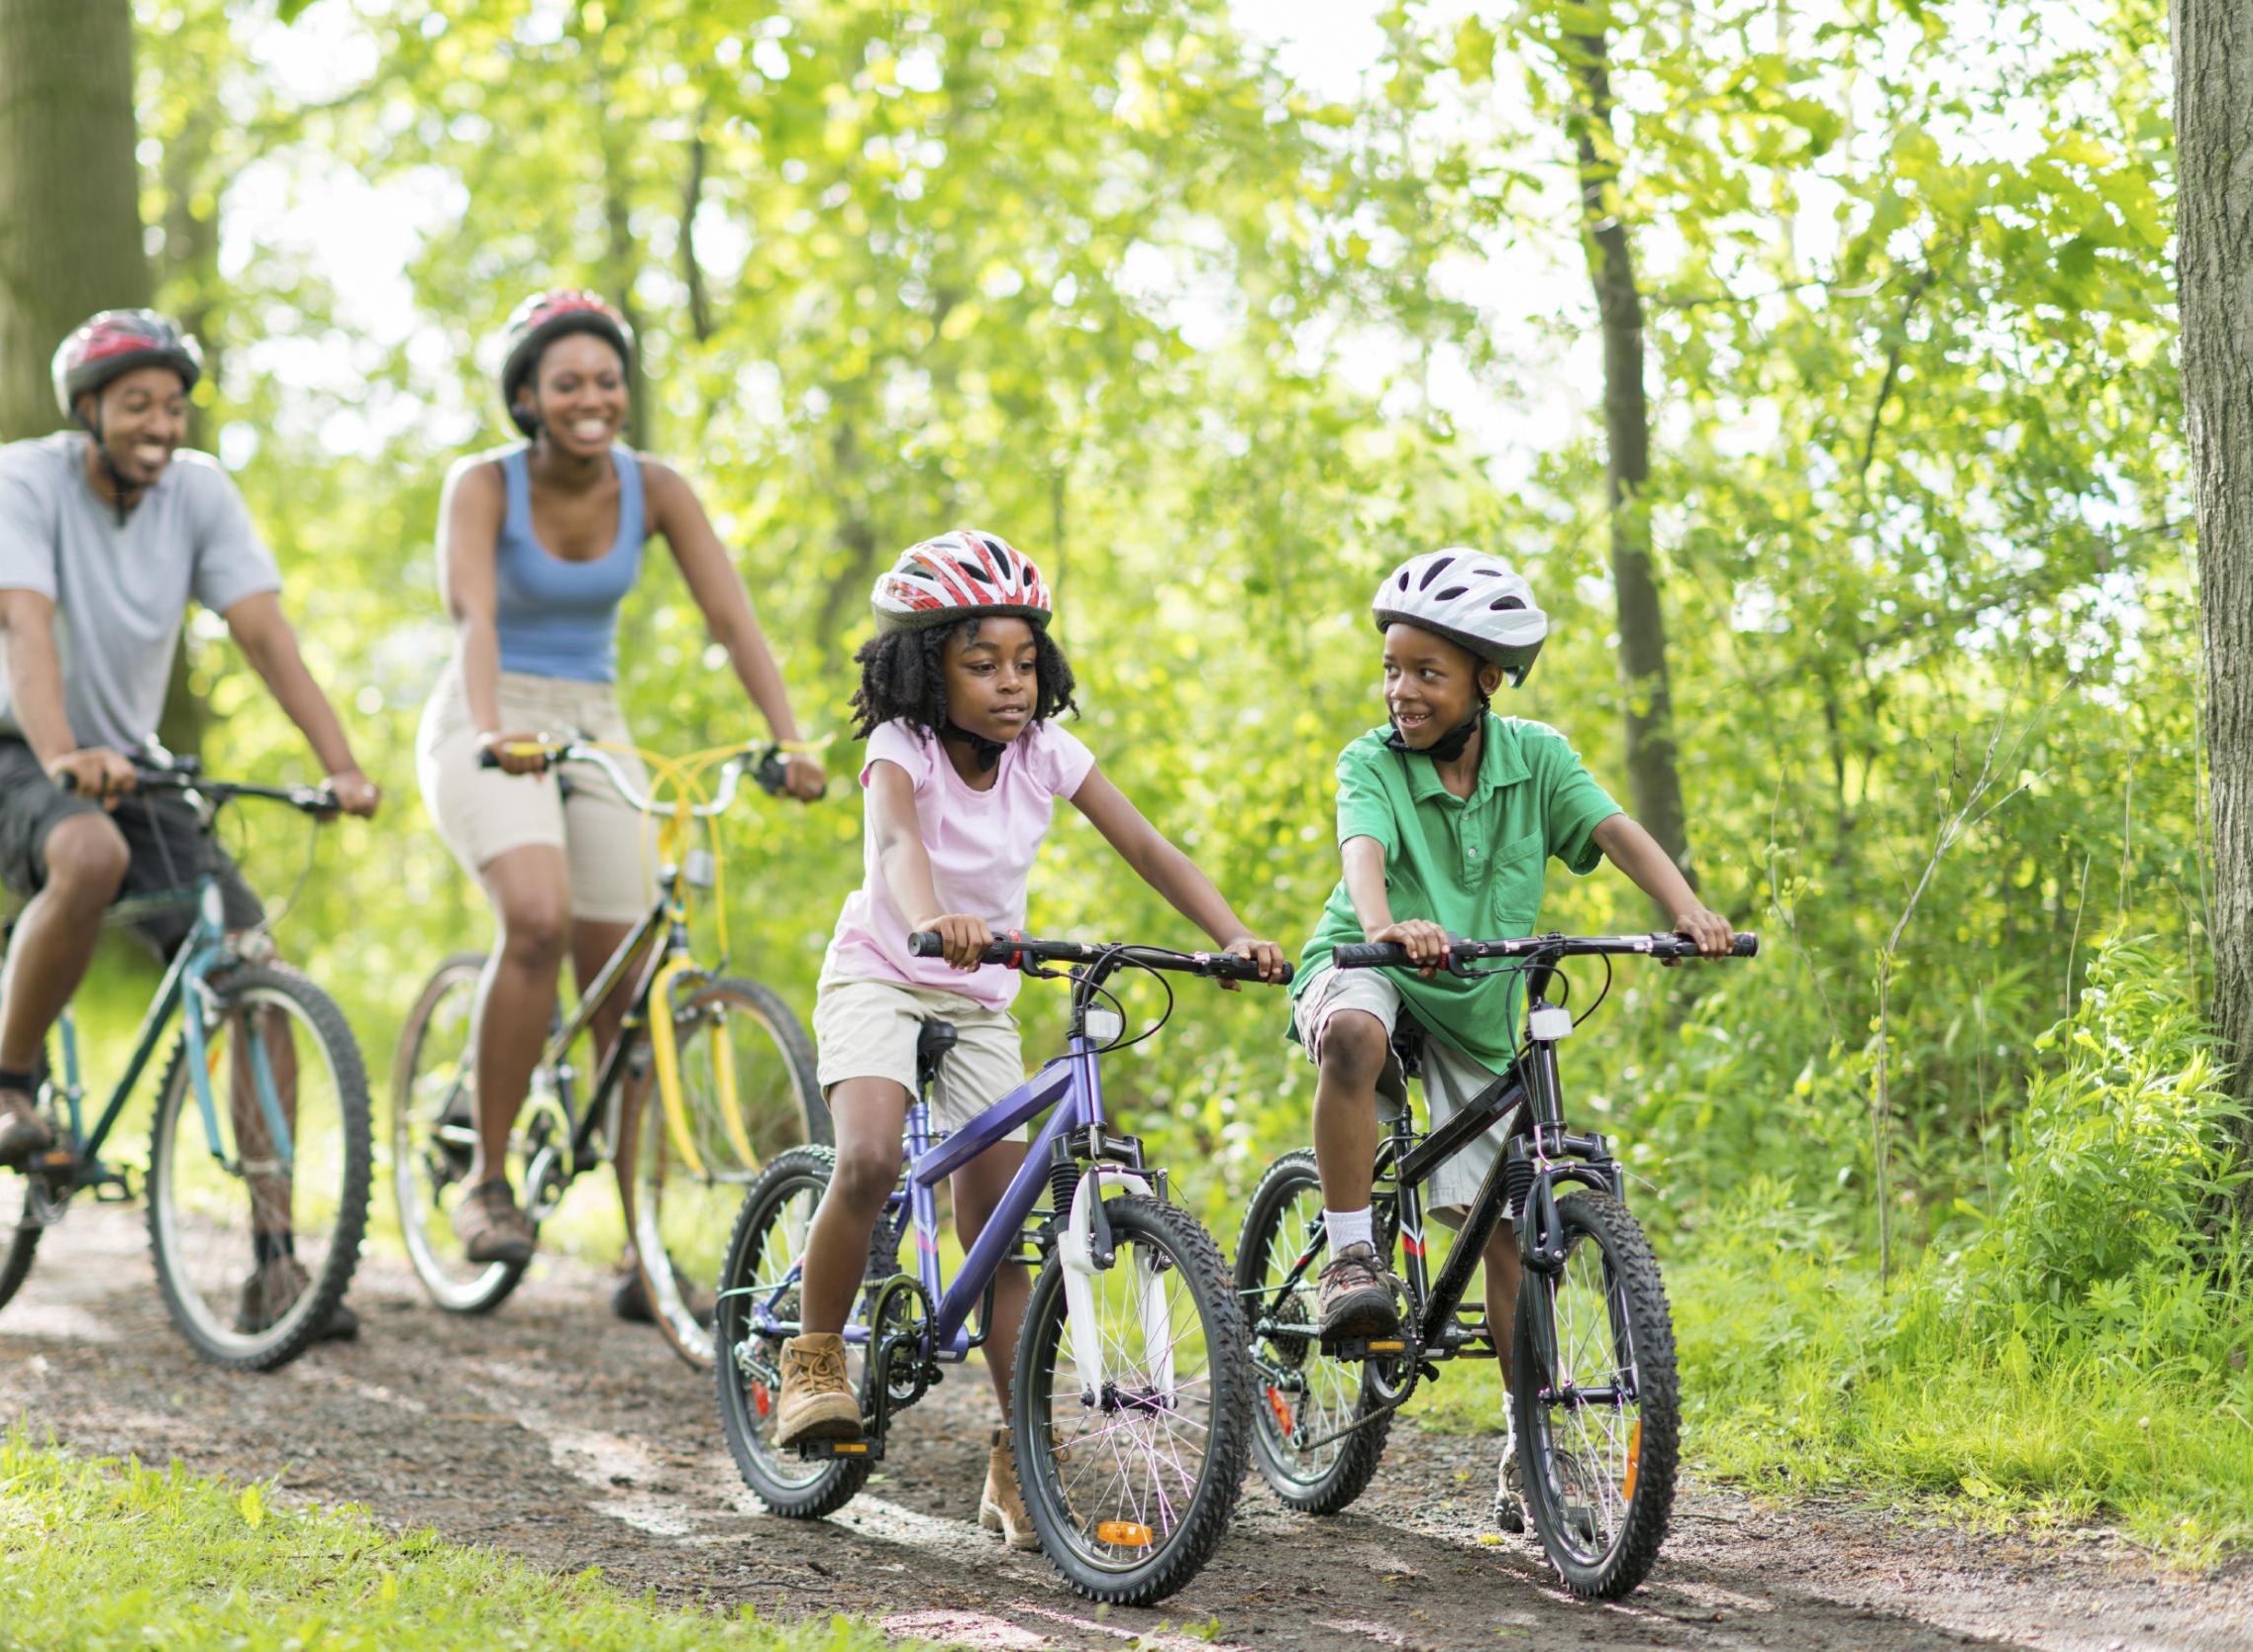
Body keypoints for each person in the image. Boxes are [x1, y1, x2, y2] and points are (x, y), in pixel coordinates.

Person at [774, 530, 1287, 1551]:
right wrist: (932, 918)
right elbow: (895, 842)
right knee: (872, 1155)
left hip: (979, 999)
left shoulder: (1048, 752)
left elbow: (1143, 843)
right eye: (979, 665)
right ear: (925, 669)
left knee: (999, 1224)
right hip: (883, 968)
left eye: (1022, 663)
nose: (1009, 685)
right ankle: (815, 1357)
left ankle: (1021, 1452)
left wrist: (1228, 934)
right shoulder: (900, 750)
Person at [0, 307, 382, 1334]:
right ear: (87, 410)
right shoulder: (24, 477)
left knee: (252, 968)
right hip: (1, 747)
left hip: (128, 767)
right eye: (137, 404)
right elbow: (21, 624)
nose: (161, 423)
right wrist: (58, 753)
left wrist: (341, 764)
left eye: (174, 406)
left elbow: (262, 630)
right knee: (84, 851)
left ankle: (275, 1265)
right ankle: (7, 1088)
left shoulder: (200, 492)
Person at [1282, 547, 1733, 1529]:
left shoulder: (1537, 756)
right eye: (1392, 669)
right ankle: (1353, 1257)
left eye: (1426, 673)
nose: (1402, 690)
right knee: (1353, 1035)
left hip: (1480, 997)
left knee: (1509, 1222)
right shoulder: (1369, 762)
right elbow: (1362, 851)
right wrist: (1385, 923)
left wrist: (1688, 911)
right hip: (1371, 962)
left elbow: (1613, 832)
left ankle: (1527, 1444)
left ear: (1487, 680)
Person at [418, 288, 826, 1278]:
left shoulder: (657, 489)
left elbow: (732, 623)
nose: (591, 397)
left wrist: (789, 739)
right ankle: (486, 1180)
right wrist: (491, 730)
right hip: (489, 711)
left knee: (630, 987)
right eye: (567, 382)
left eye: (607, 379)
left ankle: (644, 1246)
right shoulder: (483, 486)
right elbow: (475, 620)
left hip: (595, 719)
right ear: (526, 396)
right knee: (538, 918)